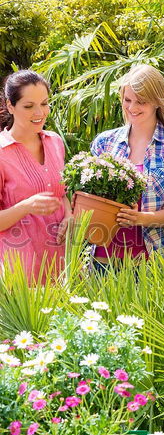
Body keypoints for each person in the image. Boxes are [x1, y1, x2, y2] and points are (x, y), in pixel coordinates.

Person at [90, 64, 164, 268]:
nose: (132, 108)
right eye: (127, 100)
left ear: (157, 102)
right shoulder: (105, 142)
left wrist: (140, 218)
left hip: (152, 263)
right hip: (103, 261)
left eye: (141, 102)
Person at [0, 70, 72, 281]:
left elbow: (62, 193)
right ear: (10, 106)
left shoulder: (55, 142)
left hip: (62, 263)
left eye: (44, 103)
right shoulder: (2, 153)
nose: (39, 112)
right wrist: (26, 206)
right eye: (29, 106)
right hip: (20, 270)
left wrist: (68, 215)